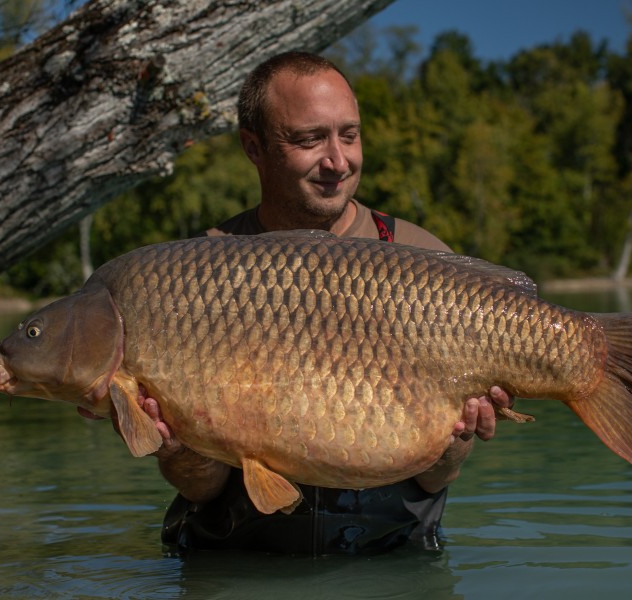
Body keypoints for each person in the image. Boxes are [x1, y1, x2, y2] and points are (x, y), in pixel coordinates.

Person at [114, 51, 513, 556]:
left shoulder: (422, 259)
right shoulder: (197, 276)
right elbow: (201, 488)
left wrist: (455, 442)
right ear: (253, 148)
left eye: (349, 135)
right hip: (241, 564)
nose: (338, 161)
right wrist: (176, 448)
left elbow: (436, 481)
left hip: (392, 562)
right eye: (309, 139)